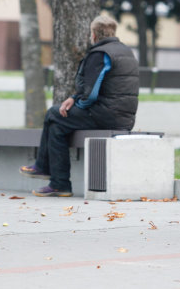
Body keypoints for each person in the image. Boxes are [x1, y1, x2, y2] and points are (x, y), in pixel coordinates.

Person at [20, 14, 140, 197]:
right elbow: (103, 84)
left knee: (53, 113)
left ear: (94, 34)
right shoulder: (125, 52)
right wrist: (74, 98)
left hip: (105, 115)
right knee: (57, 126)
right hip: (123, 116)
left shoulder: (100, 54)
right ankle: (57, 183)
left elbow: (91, 94)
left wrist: (80, 103)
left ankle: (47, 170)